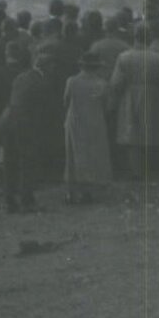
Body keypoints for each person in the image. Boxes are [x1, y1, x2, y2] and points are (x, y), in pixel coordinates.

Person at [0, 41, 46, 213]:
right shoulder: (38, 80)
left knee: (10, 160)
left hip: (7, 118)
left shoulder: (20, 77)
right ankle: (27, 200)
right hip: (24, 122)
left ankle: (10, 201)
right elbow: (40, 109)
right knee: (27, 160)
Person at [62, 49, 113, 203]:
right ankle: (89, 190)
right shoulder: (102, 83)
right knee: (93, 154)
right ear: (97, 67)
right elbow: (107, 106)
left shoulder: (72, 81)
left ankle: (72, 190)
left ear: (81, 66)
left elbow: (66, 101)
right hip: (95, 120)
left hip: (75, 119)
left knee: (74, 154)